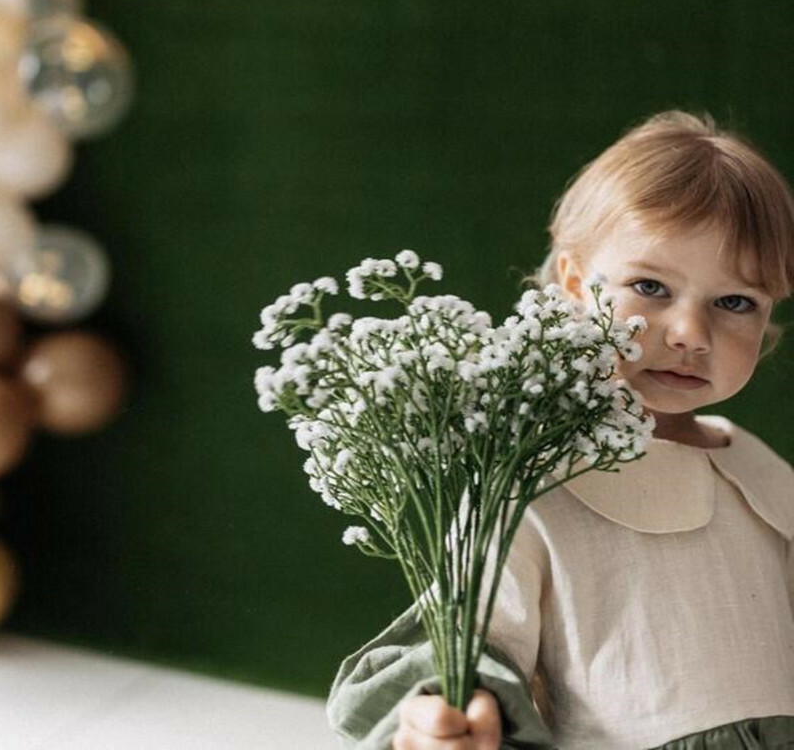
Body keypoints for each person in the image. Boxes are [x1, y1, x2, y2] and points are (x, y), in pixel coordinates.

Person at [326, 111, 794, 749]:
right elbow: (470, 639)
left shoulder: (760, 470)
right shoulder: (533, 476)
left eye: (735, 302)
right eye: (650, 286)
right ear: (575, 284)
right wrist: (454, 711)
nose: (690, 333)